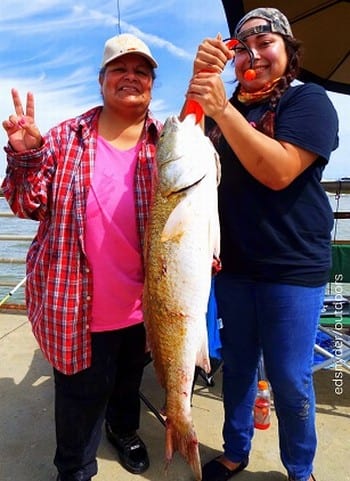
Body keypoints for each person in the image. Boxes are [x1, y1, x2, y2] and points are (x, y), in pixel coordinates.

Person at [185, 7, 339, 481]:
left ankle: (299, 468)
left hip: (292, 268)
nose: (254, 53)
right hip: (232, 266)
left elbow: (279, 172)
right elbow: (181, 148)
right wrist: (198, 81)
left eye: (266, 42)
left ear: (289, 53)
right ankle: (235, 449)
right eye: (242, 46)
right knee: (237, 368)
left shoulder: (308, 101)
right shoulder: (219, 107)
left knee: (291, 379)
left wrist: (223, 109)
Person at [1, 33, 162, 481]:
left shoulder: (166, 143)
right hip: (74, 304)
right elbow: (25, 204)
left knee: (129, 381)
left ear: (151, 83)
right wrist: (24, 153)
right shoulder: (62, 137)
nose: (131, 77)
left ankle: (125, 431)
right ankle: (74, 466)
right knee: (77, 396)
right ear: (101, 80)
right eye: (119, 69)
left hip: (144, 306)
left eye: (141, 71)